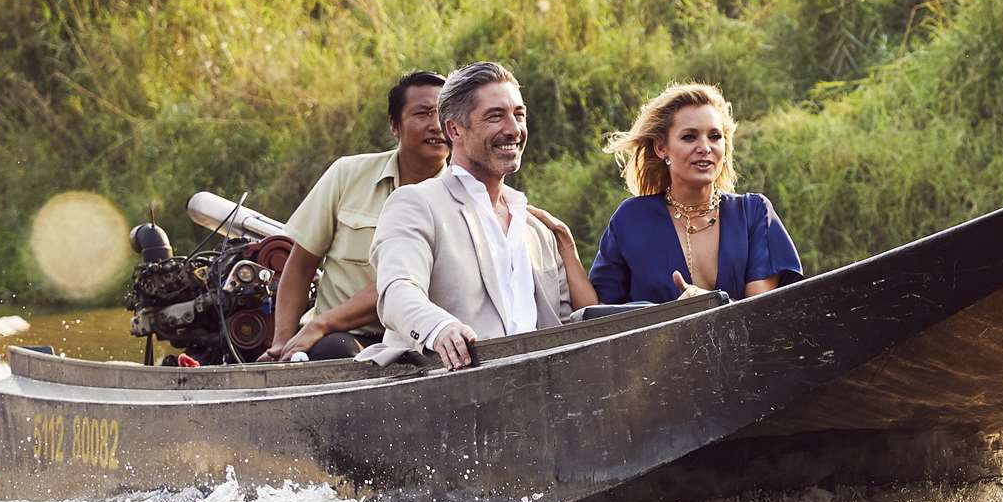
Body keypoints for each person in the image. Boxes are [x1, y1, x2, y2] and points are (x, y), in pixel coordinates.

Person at [373, 60, 599, 369]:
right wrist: (440, 329)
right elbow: (397, 292)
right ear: (454, 129)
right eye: (495, 116)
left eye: (519, 114)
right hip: (446, 389)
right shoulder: (416, 203)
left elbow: (566, 325)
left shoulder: (537, 229)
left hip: (536, 390)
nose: (513, 129)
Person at [264, 70, 445, 361]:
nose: (436, 125)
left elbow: (395, 286)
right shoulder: (347, 174)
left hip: (418, 338)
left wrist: (321, 323)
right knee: (336, 352)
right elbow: (300, 265)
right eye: (422, 114)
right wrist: (283, 343)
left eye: (443, 114)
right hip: (339, 338)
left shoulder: (460, 198)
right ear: (395, 126)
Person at [590, 82, 802, 305]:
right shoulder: (632, 219)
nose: (705, 147)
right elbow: (596, 311)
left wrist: (711, 302)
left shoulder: (754, 213)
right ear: (661, 148)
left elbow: (762, 312)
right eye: (689, 137)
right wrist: (568, 248)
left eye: (715, 136)